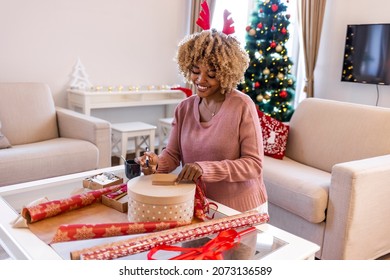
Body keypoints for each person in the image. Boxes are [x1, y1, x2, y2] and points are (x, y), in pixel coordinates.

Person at [137, 7, 267, 214]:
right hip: (196, 203)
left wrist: (205, 169)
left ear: (227, 73)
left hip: (240, 209)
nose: (201, 80)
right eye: (195, 72)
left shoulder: (242, 106)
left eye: (212, 74)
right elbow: (172, 154)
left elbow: (253, 165)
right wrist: (154, 164)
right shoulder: (185, 108)